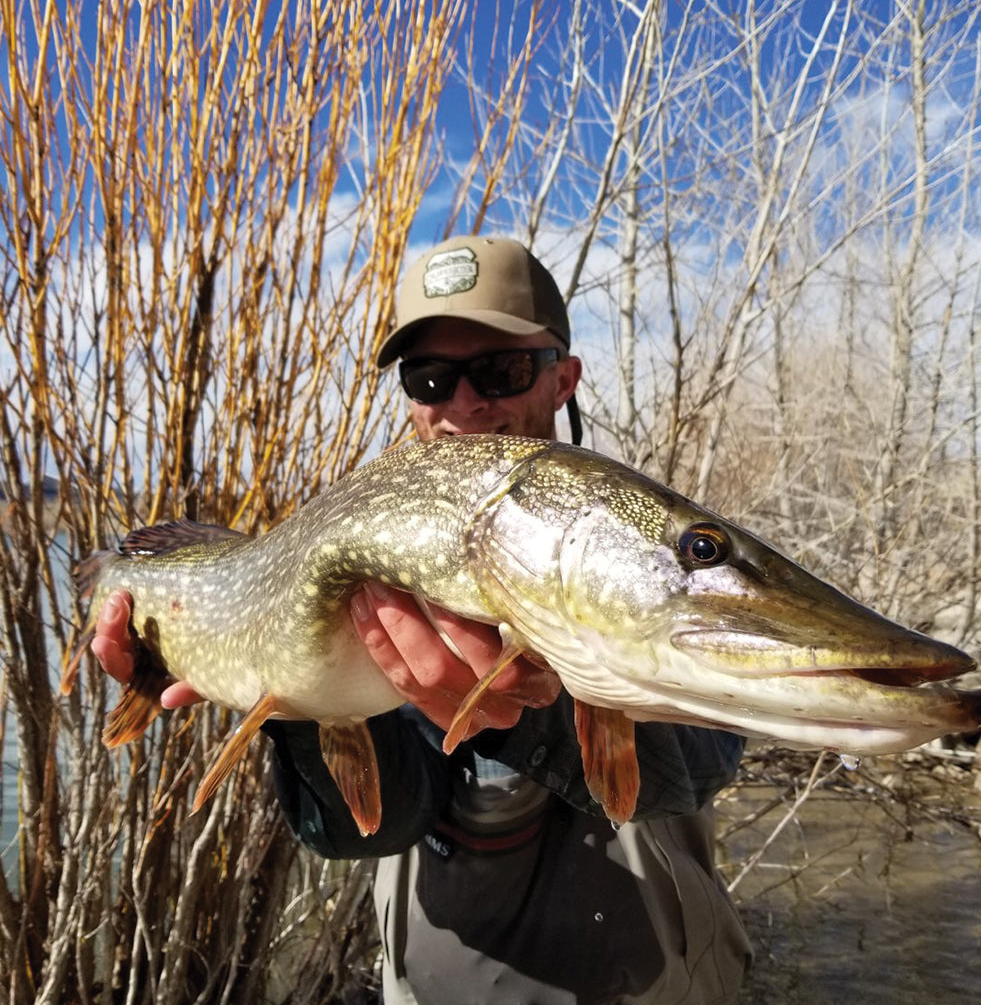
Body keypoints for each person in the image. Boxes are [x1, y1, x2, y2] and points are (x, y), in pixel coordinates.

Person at [93, 235, 752, 1004]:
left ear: (564, 379)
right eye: (431, 377)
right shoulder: (367, 556)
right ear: (410, 397)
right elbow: (367, 827)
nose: (464, 405)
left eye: (501, 370)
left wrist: (520, 704)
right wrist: (297, 703)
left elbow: (696, 766)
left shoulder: (640, 540)